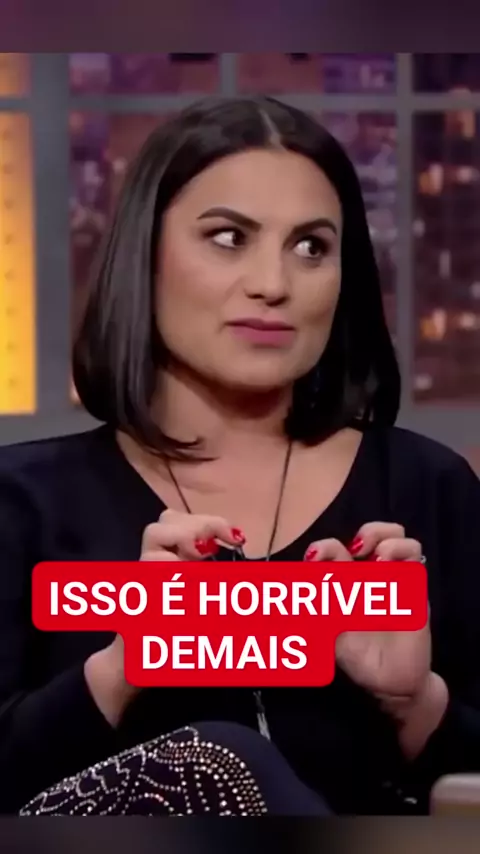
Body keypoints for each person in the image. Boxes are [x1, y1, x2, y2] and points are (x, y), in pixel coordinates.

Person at [1, 94, 480, 816]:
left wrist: (416, 705)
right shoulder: (21, 505)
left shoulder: (429, 490)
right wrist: (121, 669)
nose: (273, 285)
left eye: (311, 247)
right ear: (146, 257)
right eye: (228, 238)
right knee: (223, 760)